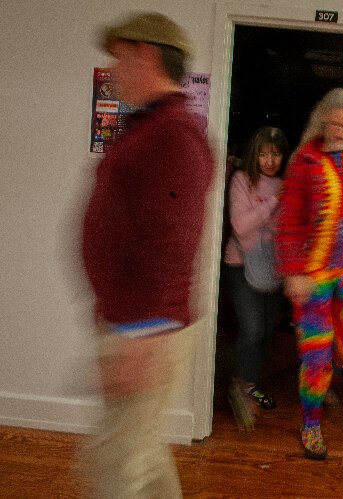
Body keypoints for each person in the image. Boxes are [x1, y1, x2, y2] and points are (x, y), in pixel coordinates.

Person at [79, 12, 213, 498]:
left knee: (116, 462)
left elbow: (175, 239)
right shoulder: (154, 127)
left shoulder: (173, 134)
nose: (112, 69)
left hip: (144, 325)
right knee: (141, 452)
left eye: (118, 56)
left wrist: (142, 333)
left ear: (146, 54)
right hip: (133, 319)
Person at [276, 88, 343, 460]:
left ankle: (325, 382)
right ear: (323, 120)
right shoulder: (304, 161)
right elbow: (287, 222)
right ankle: (311, 422)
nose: (341, 131)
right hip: (313, 275)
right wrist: (293, 273)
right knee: (317, 356)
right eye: (336, 123)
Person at [222, 126, 289, 420]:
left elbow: (284, 231)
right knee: (252, 329)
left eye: (275, 154)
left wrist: (264, 223)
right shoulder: (241, 180)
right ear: (254, 155)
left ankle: (247, 381)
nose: (269, 161)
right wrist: (274, 203)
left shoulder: (287, 184)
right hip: (240, 264)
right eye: (263, 154)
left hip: (274, 268)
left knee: (268, 330)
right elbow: (240, 225)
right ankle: (243, 385)